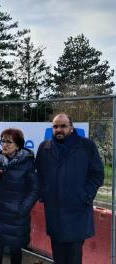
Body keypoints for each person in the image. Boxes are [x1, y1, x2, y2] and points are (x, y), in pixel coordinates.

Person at [36, 113, 104, 264]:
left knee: (74, 257)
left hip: (77, 212)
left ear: (71, 128)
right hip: (54, 212)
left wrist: (85, 195)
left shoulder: (86, 146)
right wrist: (44, 194)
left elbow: (97, 174)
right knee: (58, 256)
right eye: (55, 126)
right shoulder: (44, 147)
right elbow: (38, 174)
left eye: (63, 126)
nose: (59, 129)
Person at [0, 128, 39, 264]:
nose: (5, 144)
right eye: (3, 141)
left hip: (16, 215)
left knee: (15, 249)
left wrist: (23, 209)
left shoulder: (28, 162)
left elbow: (35, 189)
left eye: (9, 141)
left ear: (18, 145)